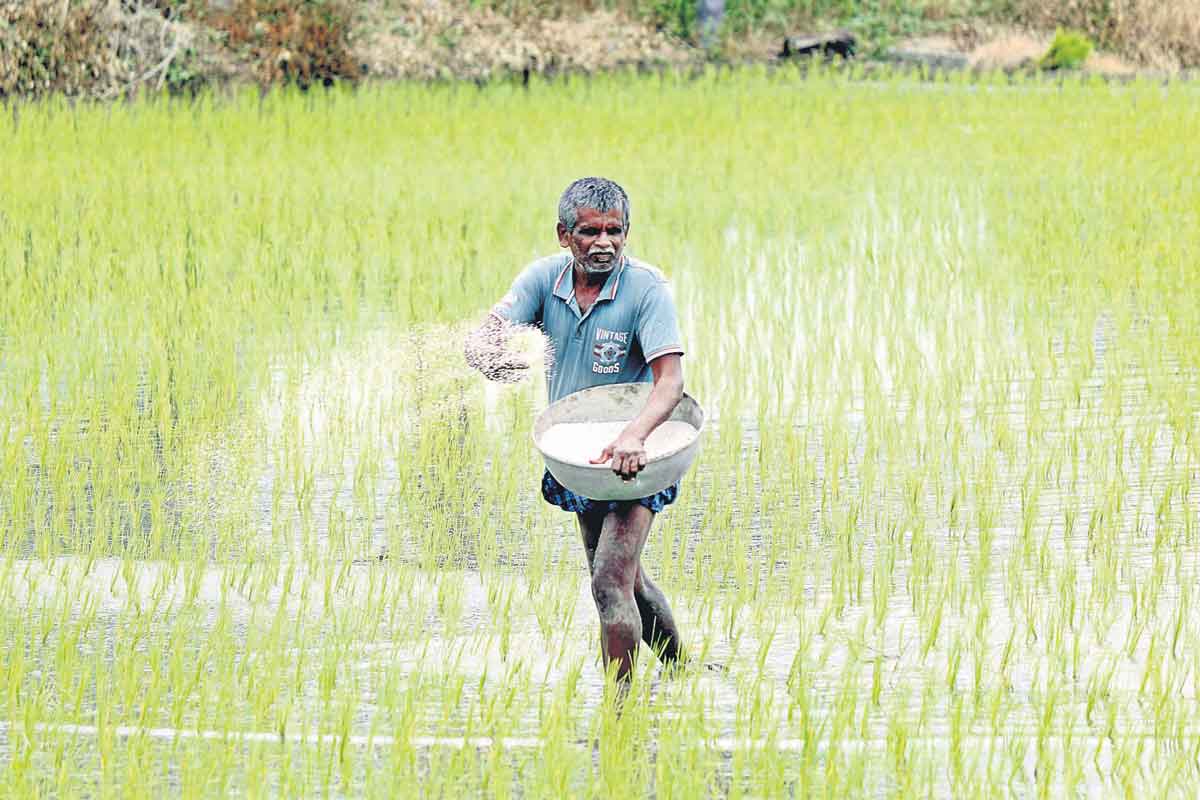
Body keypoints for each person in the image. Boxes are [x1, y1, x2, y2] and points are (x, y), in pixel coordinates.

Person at [465, 177, 688, 688]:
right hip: (577, 456)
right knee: (625, 579)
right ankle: (682, 675)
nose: (604, 242)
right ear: (565, 234)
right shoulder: (543, 279)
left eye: (615, 231)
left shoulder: (647, 289)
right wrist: (486, 353)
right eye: (590, 231)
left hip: (638, 456)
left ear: (627, 233)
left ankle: (621, 711)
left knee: (609, 583)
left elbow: (670, 381)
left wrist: (634, 436)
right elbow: (487, 330)